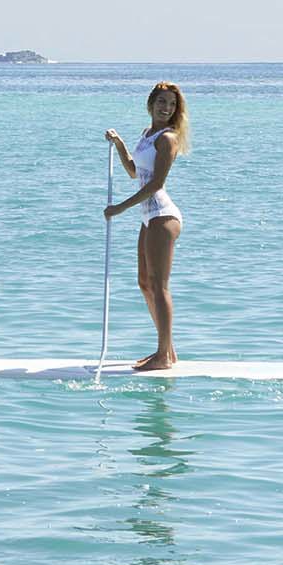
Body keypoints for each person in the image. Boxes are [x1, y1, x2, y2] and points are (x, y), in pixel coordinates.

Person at [104, 82, 190, 370]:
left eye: (172, 105)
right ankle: (168, 351)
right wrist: (120, 145)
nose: (166, 108)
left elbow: (156, 184)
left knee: (159, 286)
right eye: (162, 102)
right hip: (148, 217)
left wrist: (119, 208)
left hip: (163, 216)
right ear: (151, 104)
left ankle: (163, 354)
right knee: (144, 283)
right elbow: (134, 172)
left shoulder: (168, 139)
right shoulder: (147, 135)